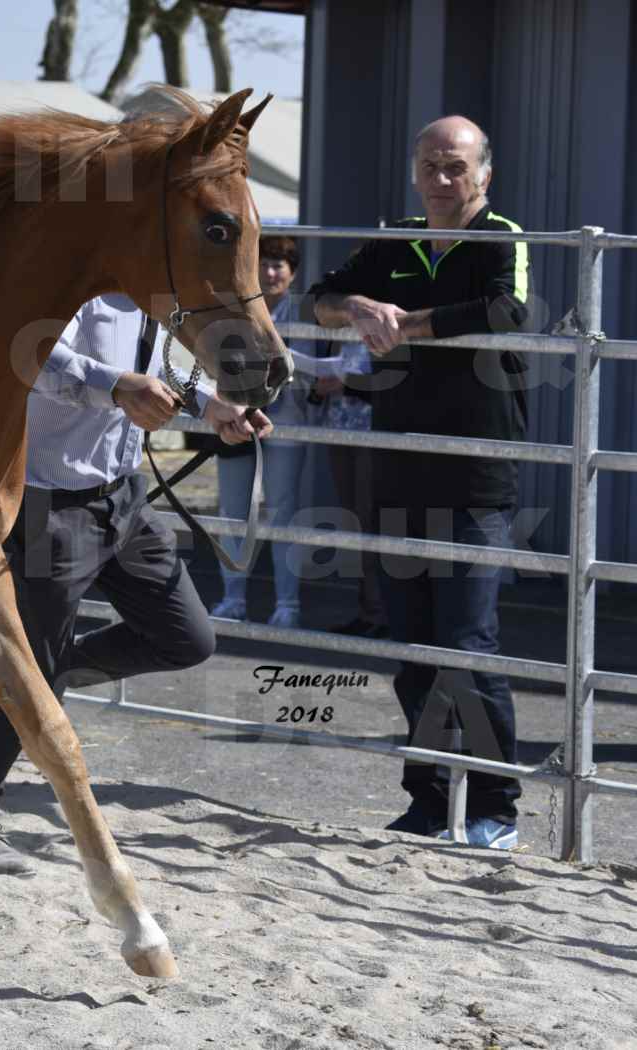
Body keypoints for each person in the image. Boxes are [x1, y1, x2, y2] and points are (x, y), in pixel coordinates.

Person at [0, 293, 272, 875]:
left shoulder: (140, 287)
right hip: (49, 506)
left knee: (186, 639)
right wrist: (116, 385)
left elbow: (159, 370)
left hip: (124, 498)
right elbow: (29, 355)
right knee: (31, 680)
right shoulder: (62, 271)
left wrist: (208, 405)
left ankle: (54, 668)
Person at [307, 115, 530, 850]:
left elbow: (503, 309)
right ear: (414, 173)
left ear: (483, 176)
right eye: (430, 166)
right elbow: (319, 296)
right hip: (398, 469)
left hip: (474, 474)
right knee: (411, 646)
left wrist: (403, 327)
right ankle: (430, 800)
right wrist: (360, 308)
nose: (442, 179)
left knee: (468, 643)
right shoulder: (393, 237)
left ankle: (495, 803)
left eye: (456, 167)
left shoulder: (501, 233)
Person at [209, 234, 319, 628]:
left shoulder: (305, 312)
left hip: (287, 421)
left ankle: (287, 605)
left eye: (279, 265)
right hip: (237, 418)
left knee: (283, 512)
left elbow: (320, 371)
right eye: (264, 264)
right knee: (233, 512)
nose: (270, 272)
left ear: (292, 273)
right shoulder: (232, 309)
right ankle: (232, 599)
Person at [315, 338, 389, 638]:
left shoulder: (384, 323)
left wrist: (346, 384)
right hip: (339, 432)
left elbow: (391, 384)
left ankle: (383, 613)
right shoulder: (339, 328)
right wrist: (318, 387)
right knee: (354, 523)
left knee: (371, 521)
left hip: (372, 434)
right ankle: (368, 611)